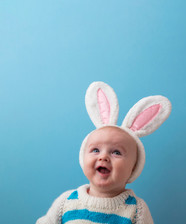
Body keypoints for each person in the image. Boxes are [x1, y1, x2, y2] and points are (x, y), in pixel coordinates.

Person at [36, 81, 172, 224]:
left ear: (133, 167)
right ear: (83, 158)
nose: (103, 157)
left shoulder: (136, 210)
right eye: (95, 150)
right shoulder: (66, 202)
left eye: (117, 152)